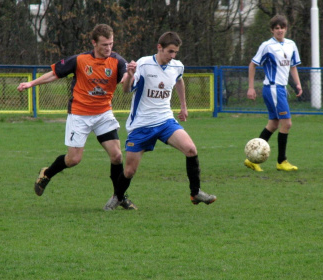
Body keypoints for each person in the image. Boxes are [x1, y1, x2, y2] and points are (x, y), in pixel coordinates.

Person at [17, 24, 137, 210]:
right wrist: (31, 83)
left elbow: (125, 85)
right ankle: (47, 172)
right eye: (104, 44)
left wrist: (129, 76)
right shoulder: (80, 60)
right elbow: (55, 74)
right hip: (79, 115)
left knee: (116, 155)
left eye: (111, 44)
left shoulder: (118, 61)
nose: (108, 48)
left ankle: (119, 196)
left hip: (103, 113)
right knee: (73, 159)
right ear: (94, 43)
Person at [103, 31, 217, 210]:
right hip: (141, 125)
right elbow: (126, 90)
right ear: (159, 47)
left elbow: (179, 81)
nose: (172, 56)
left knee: (191, 149)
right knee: (130, 170)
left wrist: (183, 106)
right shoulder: (144, 64)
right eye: (169, 51)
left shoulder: (177, 66)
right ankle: (117, 197)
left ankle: (196, 193)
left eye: (175, 53)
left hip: (165, 121)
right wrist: (131, 75)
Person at [244, 15, 303, 172]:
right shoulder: (267, 46)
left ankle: (251, 159)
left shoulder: (291, 45)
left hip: (281, 88)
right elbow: (252, 65)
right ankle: (281, 161)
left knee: (274, 124)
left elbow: (293, 66)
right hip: (273, 88)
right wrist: (250, 87)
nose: (280, 30)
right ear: (272, 30)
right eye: (276, 28)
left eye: (282, 27)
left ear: (286, 28)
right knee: (287, 123)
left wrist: (297, 83)